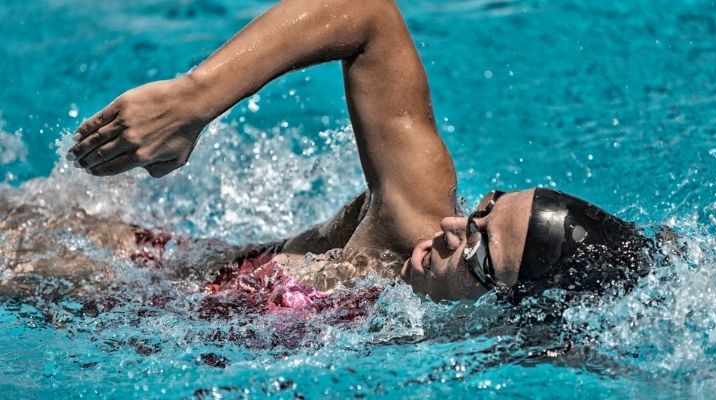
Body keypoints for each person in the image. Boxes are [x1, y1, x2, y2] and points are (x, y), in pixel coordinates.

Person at [65, 0, 654, 304]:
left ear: (510, 309)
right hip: (108, 272)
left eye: (478, 250)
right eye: (483, 210)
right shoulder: (410, 226)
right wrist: (194, 99)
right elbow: (368, 15)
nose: (453, 227)